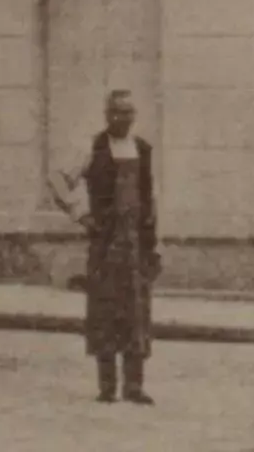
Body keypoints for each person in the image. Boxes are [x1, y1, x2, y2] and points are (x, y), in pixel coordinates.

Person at [82, 90, 158, 405]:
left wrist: (153, 241)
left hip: (135, 245)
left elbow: (150, 198)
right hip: (105, 246)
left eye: (127, 112)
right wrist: (83, 215)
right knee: (104, 312)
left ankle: (134, 387)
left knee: (136, 314)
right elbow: (59, 180)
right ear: (106, 115)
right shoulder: (94, 148)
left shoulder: (142, 149)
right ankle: (107, 386)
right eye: (116, 112)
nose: (122, 118)